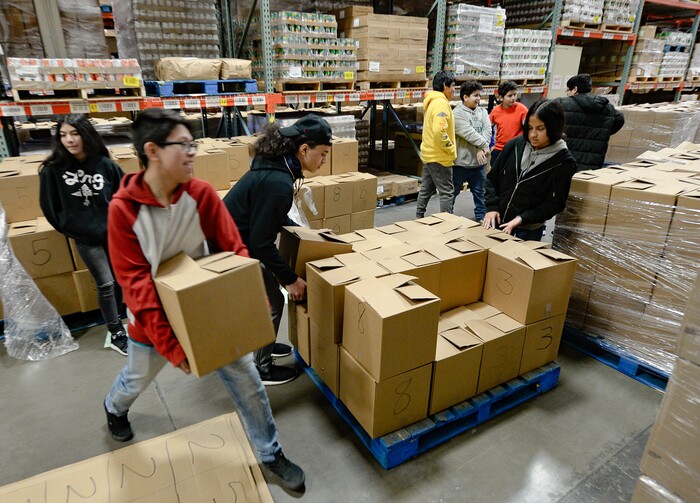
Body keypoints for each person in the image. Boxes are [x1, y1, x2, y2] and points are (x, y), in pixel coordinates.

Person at [103, 108, 305, 491]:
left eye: (192, 144)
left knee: (248, 381)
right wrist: (174, 348)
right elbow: (138, 290)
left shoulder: (201, 194)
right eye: (184, 145)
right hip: (152, 325)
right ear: (153, 151)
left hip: (207, 313)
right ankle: (114, 408)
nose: (192, 152)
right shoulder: (123, 212)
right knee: (136, 379)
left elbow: (234, 249)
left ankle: (270, 453)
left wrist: (251, 303)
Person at [223, 114, 331, 386]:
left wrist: (306, 234)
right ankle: (262, 368)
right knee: (271, 302)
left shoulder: (278, 167)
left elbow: (273, 215)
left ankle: (264, 347)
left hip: (239, 240)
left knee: (268, 293)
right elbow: (261, 243)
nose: (324, 161)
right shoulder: (277, 181)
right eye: (323, 154)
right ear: (304, 149)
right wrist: (290, 280)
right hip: (231, 248)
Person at [39, 115, 127, 355]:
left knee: (120, 280)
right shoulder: (52, 171)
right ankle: (116, 331)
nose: (69, 140)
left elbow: (125, 196)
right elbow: (49, 208)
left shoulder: (105, 165)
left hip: (114, 235)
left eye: (74, 133)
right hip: (87, 239)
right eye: (63, 135)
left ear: (86, 134)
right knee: (106, 284)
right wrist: (72, 228)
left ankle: (120, 318)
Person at [483, 99, 577, 241]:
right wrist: (491, 207)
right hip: (497, 221)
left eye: (540, 129)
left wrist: (522, 218)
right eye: (530, 127)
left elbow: (555, 203)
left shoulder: (563, 162)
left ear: (554, 128)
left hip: (528, 230)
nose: (533, 134)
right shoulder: (515, 145)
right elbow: (492, 179)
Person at [555, 73, 624, 171]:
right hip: (592, 163)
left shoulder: (562, 104)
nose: (567, 94)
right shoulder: (606, 107)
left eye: (568, 90)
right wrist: (604, 132)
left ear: (575, 89)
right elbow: (620, 118)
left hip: (564, 160)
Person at [416, 70, 457, 218]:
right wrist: (450, 149)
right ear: (445, 86)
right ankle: (447, 223)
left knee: (426, 189)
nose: (454, 90)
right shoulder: (440, 104)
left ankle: (418, 216)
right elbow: (440, 131)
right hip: (440, 156)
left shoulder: (432, 101)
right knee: (447, 192)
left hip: (429, 154)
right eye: (452, 86)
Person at [452, 81, 491, 223]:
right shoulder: (457, 113)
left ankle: (481, 217)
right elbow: (468, 133)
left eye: (479, 95)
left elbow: (488, 131)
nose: (479, 99)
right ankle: (447, 217)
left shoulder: (483, 111)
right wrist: (484, 145)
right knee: (453, 193)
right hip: (461, 163)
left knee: (480, 193)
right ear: (465, 97)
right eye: (475, 95)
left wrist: (482, 148)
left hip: (479, 163)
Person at [489, 80, 528, 167]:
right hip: (499, 148)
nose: (513, 98)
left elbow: (528, 129)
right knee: (495, 173)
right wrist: (491, 145)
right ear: (501, 97)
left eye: (515, 94)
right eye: (510, 95)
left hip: (516, 149)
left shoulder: (522, 109)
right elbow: (488, 129)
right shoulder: (495, 111)